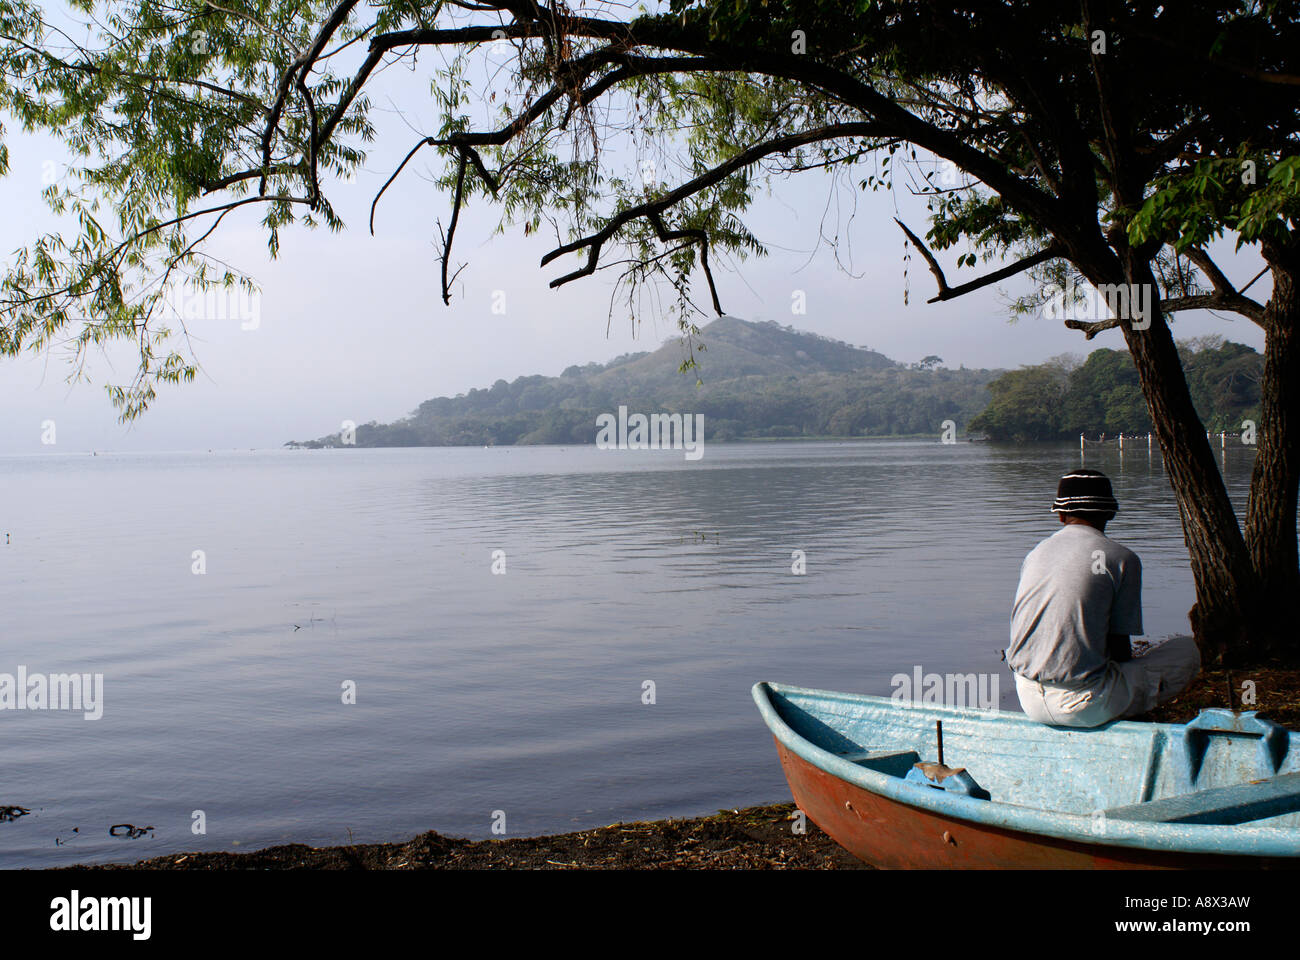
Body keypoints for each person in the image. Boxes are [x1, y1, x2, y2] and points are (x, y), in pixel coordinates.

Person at [1007, 468, 1200, 727]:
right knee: (1188, 649)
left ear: (1061, 516)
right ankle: (1126, 714)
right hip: (1084, 705)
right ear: (1110, 513)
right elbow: (1120, 647)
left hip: (1027, 696)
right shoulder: (1121, 558)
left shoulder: (1036, 553)